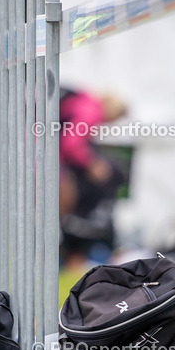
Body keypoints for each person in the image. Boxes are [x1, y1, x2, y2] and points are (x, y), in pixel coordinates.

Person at [58, 89, 127, 269]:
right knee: (64, 200)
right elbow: (70, 144)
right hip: (51, 158)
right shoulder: (91, 112)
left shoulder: (85, 102)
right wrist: (92, 164)